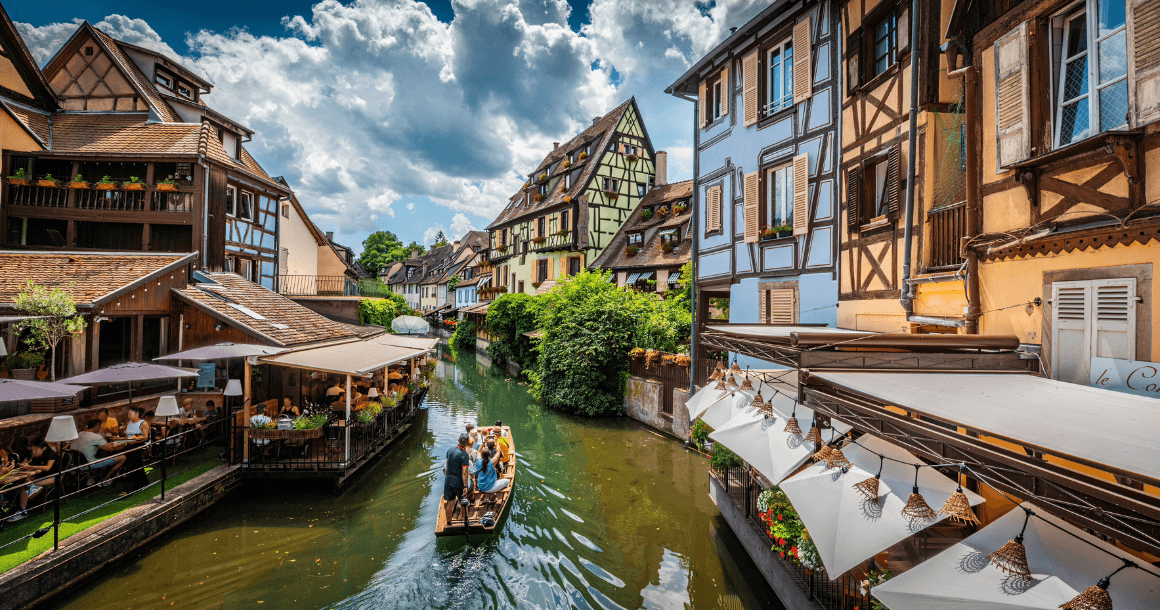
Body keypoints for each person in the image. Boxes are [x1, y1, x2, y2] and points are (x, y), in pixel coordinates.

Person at [6, 440, 56, 521]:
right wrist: (26, 464)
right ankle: (22, 510)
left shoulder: (50, 455)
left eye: (36, 450)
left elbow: (47, 468)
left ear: (44, 448)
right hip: (41, 476)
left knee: (31, 484)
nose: (34, 452)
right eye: (33, 450)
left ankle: (34, 490)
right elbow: (34, 465)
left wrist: (29, 466)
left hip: (53, 476)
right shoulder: (38, 456)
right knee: (25, 484)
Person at [71, 419, 126, 486]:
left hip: (75, 465)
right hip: (90, 465)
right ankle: (103, 480)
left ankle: (90, 478)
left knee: (95, 455)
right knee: (122, 458)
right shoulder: (96, 437)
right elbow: (110, 448)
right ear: (97, 426)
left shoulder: (78, 434)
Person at [442, 434, 472, 525]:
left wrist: (447, 478)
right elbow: (465, 472)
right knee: (463, 502)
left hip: (448, 480)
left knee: (450, 502)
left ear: (458, 440)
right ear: (467, 443)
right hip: (458, 482)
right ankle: (466, 522)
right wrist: (466, 486)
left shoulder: (450, 450)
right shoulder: (464, 454)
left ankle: (449, 523)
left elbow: (447, 465)